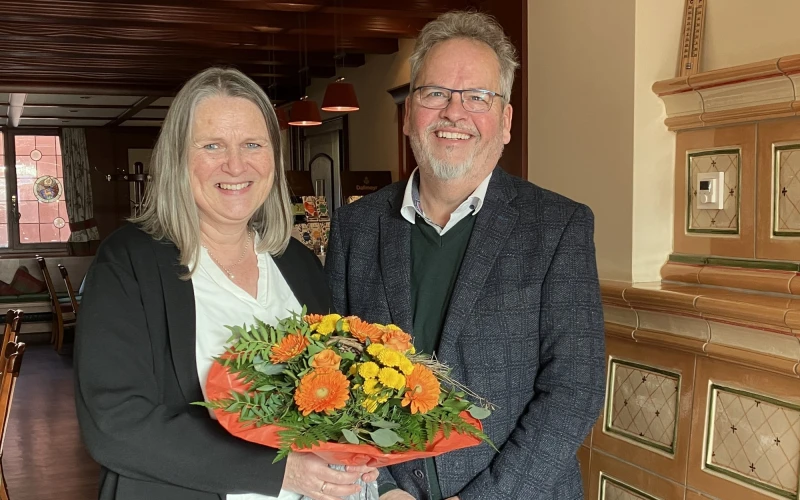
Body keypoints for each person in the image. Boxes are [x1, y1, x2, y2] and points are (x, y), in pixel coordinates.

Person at [326, 11, 605, 500]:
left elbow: (574, 388)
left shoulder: (559, 227)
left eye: (478, 97)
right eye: (436, 94)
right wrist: (387, 486)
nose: (455, 113)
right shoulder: (356, 227)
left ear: (505, 121)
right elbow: (336, 367)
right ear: (410, 112)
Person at [74, 67, 377, 500]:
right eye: (212, 145)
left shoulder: (299, 263)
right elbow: (114, 425)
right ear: (178, 158)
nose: (235, 164)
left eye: (252, 144)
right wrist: (281, 473)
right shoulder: (130, 262)